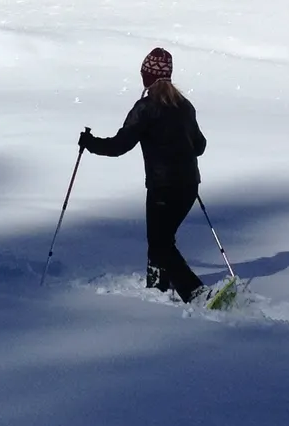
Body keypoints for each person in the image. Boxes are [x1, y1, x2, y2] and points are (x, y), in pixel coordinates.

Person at [79, 47, 210, 302]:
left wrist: (90, 143)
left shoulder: (146, 108)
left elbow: (120, 146)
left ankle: (196, 293)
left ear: (147, 76)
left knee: (160, 244)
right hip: (189, 186)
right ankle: (158, 286)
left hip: (164, 187)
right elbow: (200, 146)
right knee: (161, 238)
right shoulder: (184, 106)